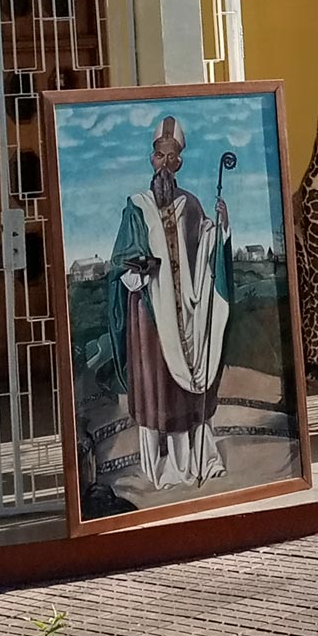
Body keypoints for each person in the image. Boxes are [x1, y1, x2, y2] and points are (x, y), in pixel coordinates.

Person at [106, 115, 233, 486]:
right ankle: (160, 468)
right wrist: (138, 270)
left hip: (188, 314)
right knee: (156, 389)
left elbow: (206, 250)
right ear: (152, 159)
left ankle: (195, 460)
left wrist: (221, 229)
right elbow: (121, 260)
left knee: (182, 392)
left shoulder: (191, 205)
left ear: (179, 162)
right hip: (148, 313)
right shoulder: (137, 206)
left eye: (171, 157)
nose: (164, 163)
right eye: (159, 156)